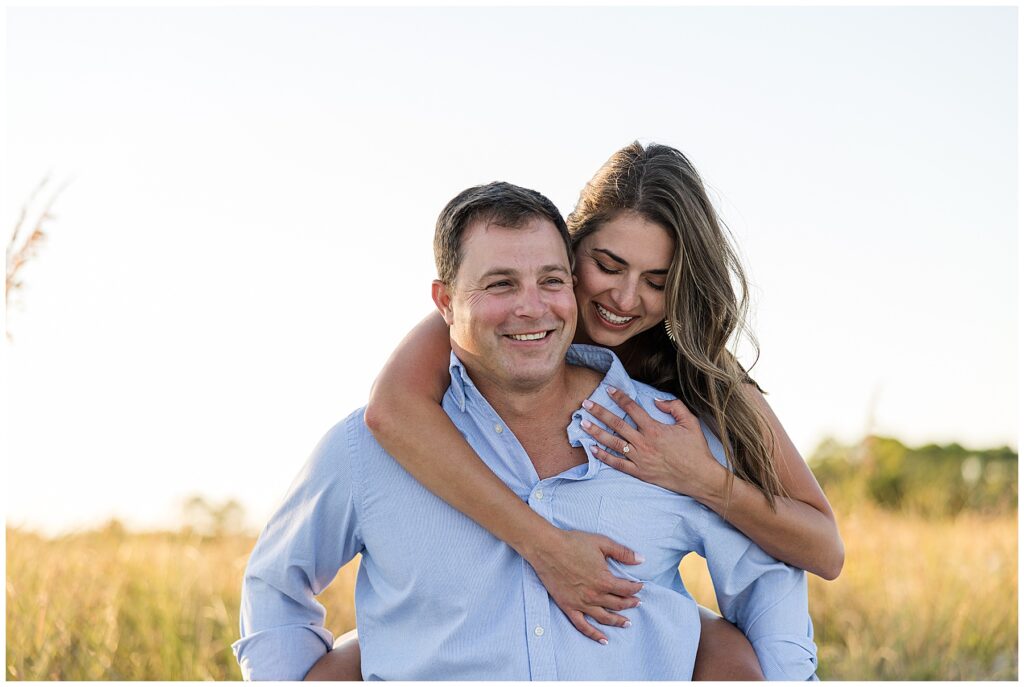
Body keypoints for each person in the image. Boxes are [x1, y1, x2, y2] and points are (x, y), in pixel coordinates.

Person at [233, 181, 818, 680]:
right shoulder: (370, 449)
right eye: (500, 284)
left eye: (549, 281)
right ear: (445, 301)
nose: (532, 307)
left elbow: (773, 579)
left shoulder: (675, 434)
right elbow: (275, 589)